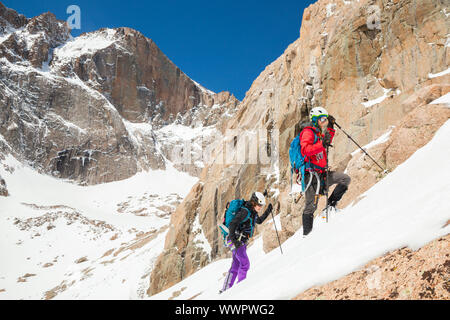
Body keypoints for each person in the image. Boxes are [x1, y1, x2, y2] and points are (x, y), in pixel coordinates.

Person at [300, 107, 351, 236]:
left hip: (322, 174)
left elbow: (326, 140)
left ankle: (330, 206)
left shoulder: (318, 133)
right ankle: (307, 235)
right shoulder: (308, 132)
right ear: (315, 120)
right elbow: (305, 150)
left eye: (325, 119)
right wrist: (322, 144)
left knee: (345, 179)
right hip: (311, 176)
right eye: (322, 119)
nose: (324, 121)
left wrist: (331, 126)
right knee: (311, 207)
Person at [220, 192, 273, 293]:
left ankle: (225, 290)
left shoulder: (252, 212)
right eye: (259, 205)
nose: (260, 207)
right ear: (253, 203)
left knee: (236, 265)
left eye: (261, 206)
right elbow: (232, 224)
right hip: (235, 239)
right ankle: (241, 288)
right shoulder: (245, 212)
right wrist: (235, 241)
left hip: (239, 240)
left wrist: (268, 211)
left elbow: (259, 221)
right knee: (245, 264)